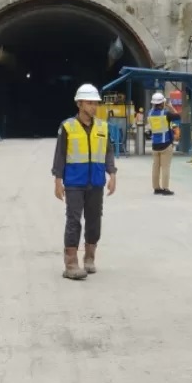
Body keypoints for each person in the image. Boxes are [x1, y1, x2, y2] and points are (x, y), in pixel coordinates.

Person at [52, 83, 117, 280]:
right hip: (74, 182)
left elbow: (108, 152)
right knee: (73, 221)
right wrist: (58, 180)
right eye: (89, 103)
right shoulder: (67, 127)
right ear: (79, 104)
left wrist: (112, 174)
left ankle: (89, 257)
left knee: (94, 220)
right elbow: (60, 155)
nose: (93, 107)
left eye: (95, 103)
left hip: (96, 181)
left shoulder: (103, 127)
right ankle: (71, 263)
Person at [148, 91, 181, 195]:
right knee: (165, 167)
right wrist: (170, 106)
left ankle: (156, 188)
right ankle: (165, 188)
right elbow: (178, 117)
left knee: (155, 167)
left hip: (154, 145)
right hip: (165, 144)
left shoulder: (149, 114)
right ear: (163, 103)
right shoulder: (166, 114)